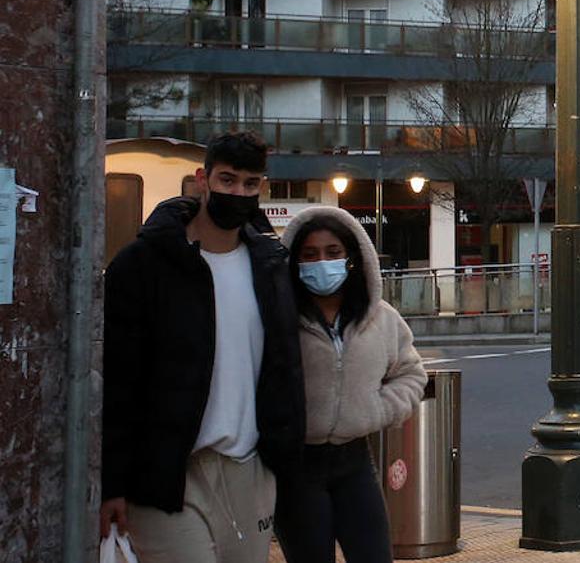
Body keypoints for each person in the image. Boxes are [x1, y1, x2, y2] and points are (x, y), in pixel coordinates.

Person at [100, 131, 305, 563]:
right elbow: (120, 380)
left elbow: (284, 367)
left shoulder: (270, 268)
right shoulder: (143, 266)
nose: (239, 193)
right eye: (227, 180)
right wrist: (111, 484)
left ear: (262, 188)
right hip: (168, 473)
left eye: (250, 184)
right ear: (202, 179)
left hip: (248, 470)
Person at [275, 206, 427, 563]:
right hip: (297, 469)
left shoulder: (381, 318)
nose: (321, 263)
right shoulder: (279, 319)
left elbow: (412, 373)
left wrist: (380, 409)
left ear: (352, 258)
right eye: (309, 255)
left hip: (355, 462)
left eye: (332, 253)